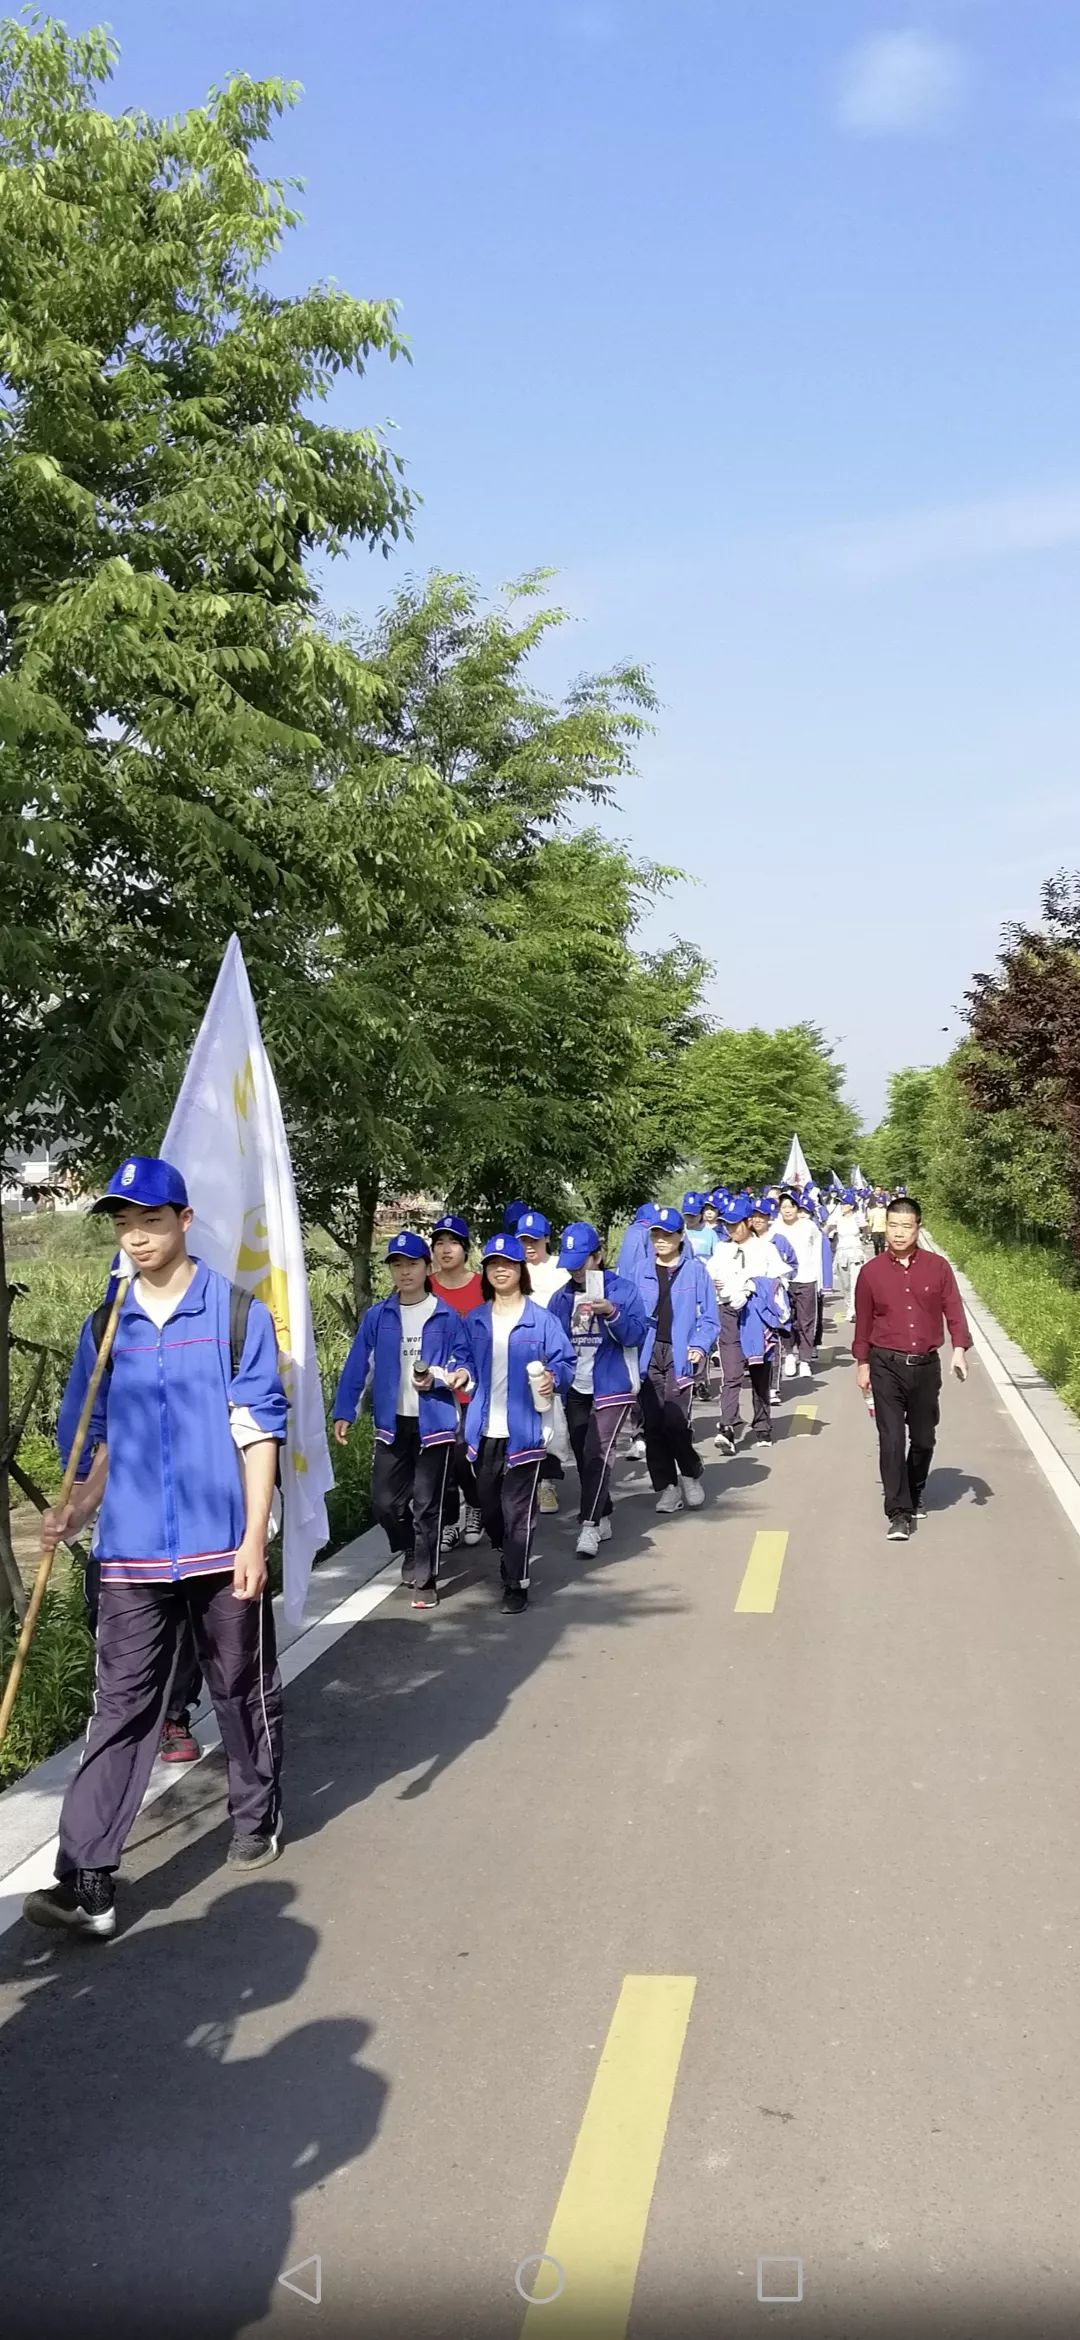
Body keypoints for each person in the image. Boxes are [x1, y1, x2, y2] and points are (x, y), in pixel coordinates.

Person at [23, 1156, 288, 1941]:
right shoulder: (106, 1327)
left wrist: (252, 1538)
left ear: (183, 1221)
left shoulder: (234, 1313)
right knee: (122, 1710)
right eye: (123, 1223)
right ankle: (89, 1877)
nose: (136, 1236)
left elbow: (258, 1433)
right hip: (133, 1553)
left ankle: (255, 1814)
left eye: (150, 1220)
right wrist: (75, 1509)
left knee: (241, 1688)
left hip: (218, 1546)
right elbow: (98, 1441)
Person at [333, 1230, 473, 1608]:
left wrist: (452, 1376)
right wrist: (345, 1410)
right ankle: (409, 1547)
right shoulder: (379, 1316)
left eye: (411, 1264)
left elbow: (464, 1362)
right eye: (397, 1265)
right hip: (392, 1424)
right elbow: (357, 1365)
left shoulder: (445, 1315)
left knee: (427, 1504)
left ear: (427, 1267)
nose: (404, 1272)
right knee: (384, 1503)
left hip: (435, 1423)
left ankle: (426, 1579)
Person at [463, 1235, 576, 1612]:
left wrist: (552, 1377)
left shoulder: (540, 1319)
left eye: (508, 1264)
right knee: (488, 1506)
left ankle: (516, 1582)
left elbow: (565, 1361)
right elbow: (460, 1359)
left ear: (519, 1270)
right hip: (483, 1431)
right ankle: (505, 1550)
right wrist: (459, 1373)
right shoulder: (474, 1320)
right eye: (493, 1264)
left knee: (517, 1512)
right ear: (486, 1271)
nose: (500, 1269)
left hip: (525, 1431)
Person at [852, 1196, 972, 1542]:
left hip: (925, 1367)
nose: (899, 1233)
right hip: (884, 1364)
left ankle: (915, 1487)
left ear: (918, 1228)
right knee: (891, 1439)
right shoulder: (870, 1273)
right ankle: (899, 1512)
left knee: (923, 1438)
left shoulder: (938, 1268)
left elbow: (954, 1312)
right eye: (893, 1226)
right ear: (884, 1226)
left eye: (906, 1226)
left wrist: (959, 1350)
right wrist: (862, 1364)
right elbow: (863, 1325)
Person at [548, 1222, 650, 1556]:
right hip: (577, 1386)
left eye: (583, 1260)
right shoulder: (560, 1299)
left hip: (613, 1384)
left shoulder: (623, 1290)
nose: (577, 1269)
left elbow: (636, 1335)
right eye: (571, 1262)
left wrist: (612, 1313)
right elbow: (553, 1344)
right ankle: (602, 1510)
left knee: (599, 1451)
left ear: (599, 1255)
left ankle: (588, 1527)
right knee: (583, 1454)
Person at [635, 1206, 719, 1514]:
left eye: (667, 1234)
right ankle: (667, 1487)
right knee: (653, 1423)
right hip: (647, 1353)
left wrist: (699, 1345)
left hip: (680, 1354)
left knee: (674, 1420)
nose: (660, 1240)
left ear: (680, 1237)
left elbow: (710, 1318)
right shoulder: (640, 1270)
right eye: (656, 1234)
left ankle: (690, 1473)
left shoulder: (695, 1271)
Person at [429, 1214, 485, 1552]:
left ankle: (475, 1506)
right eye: (438, 1244)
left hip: (474, 1389)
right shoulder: (425, 1286)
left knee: (465, 1455)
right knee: (441, 1459)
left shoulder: (482, 1286)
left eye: (452, 1243)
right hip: (435, 1391)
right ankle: (450, 1521)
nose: (445, 1249)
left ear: (465, 1248)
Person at [515, 1211, 570, 1515]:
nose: (529, 1246)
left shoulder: (559, 1270)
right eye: (524, 1240)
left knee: (551, 1422)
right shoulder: (513, 1269)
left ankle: (547, 1483)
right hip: (517, 1356)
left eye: (534, 1240)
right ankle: (524, 1481)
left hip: (551, 1355)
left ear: (547, 1238)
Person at [776, 1188, 823, 1380]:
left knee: (806, 1321)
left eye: (791, 1206)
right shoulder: (775, 1228)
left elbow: (818, 1253)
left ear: (797, 1208)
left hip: (806, 1279)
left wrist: (820, 1280)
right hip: (784, 1281)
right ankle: (789, 1355)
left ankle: (804, 1360)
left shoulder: (809, 1226)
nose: (787, 1210)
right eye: (784, 1206)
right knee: (786, 1320)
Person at [828, 1188, 867, 1325]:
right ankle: (848, 1305)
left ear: (851, 1205)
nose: (842, 1206)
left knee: (855, 1282)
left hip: (855, 1251)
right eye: (841, 1203)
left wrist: (864, 1234)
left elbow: (865, 1227)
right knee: (845, 1284)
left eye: (845, 1204)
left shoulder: (858, 1216)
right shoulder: (837, 1217)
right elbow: (827, 1227)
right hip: (842, 1251)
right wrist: (828, 1229)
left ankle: (854, 1310)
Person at [681, 1192, 717, 1261]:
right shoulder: (679, 1232)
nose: (690, 1218)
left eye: (694, 1215)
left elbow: (717, 1257)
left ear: (701, 1213)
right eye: (688, 1215)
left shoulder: (711, 1234)